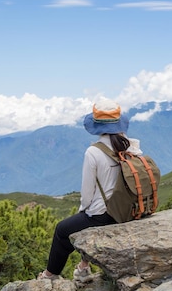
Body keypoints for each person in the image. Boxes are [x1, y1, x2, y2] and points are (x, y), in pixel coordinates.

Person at [38, 97, 135, 281]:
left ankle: (49, 275)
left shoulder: (93, 152)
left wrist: (82, 211)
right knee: (83, 223)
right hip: (128, 209)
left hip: (106, 215)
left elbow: (87, 195)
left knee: (62, 229)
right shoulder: (131, 146)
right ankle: (83, 267)